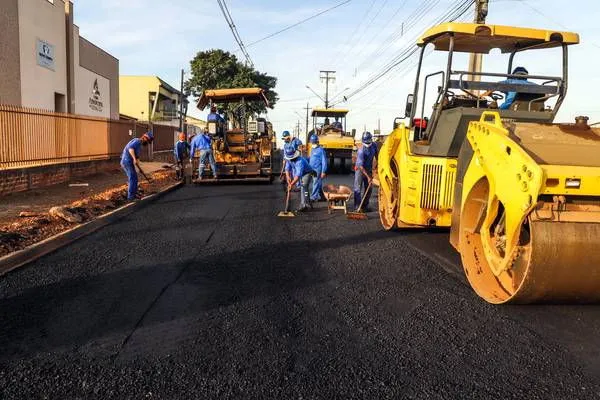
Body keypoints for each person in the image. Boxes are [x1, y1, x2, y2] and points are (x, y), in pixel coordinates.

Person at [120, 131, 154, 201]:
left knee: (134, 178)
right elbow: (130, 149)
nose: (147, 142)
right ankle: (131, 197)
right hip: (126, 161)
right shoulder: (138, 141)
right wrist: (134, 158)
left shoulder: (139, 145)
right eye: (147, 140)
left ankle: (134, 194)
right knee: (132, 178)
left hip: (128, 162)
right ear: (144, 137)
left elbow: (137, 158)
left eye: (148, 142)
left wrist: (140, 168)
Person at [353, 131, 378, 212]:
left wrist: (377, 167)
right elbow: (360, 166)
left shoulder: (374, 145)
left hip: (368, 169)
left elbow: (378, 156)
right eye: (365, 142)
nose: (367, 143)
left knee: (369, 188)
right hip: (360, 170)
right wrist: (368, 177)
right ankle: (357, 207)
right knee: (358, 188)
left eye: (368, 141)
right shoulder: (361, 151)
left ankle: (365, 206)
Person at [284, 146, 314, 212]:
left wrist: (291, 184)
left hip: (307, 173)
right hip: (301, 173)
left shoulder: (299, 161)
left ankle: (304, 205)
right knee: (304, 188)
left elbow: (298, 176)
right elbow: (287, 169)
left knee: (304, 186)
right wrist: (288, 178)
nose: (290, 159)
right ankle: (308, 204)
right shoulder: (289, 159)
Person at [308, 134, 328, 202]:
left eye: (314, 142)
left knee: (315, 182)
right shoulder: (312, 149)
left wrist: (323, 171)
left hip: (317, 169)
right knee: (318, 183)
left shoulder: (321, 150)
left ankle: (313, 197)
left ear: (317, 142)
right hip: (311, 168)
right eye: (312, 142)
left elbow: (324, 161)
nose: (313, 144)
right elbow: (311, 158)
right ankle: (322, 196)